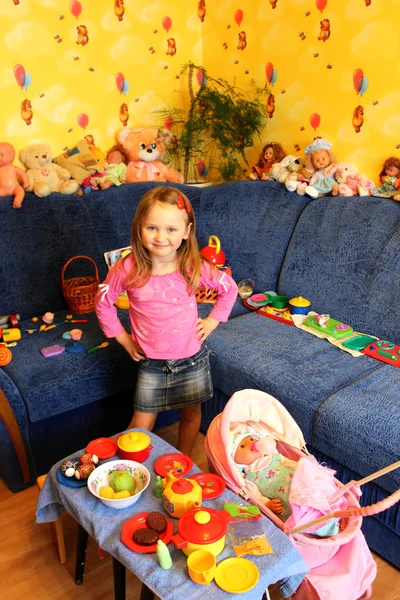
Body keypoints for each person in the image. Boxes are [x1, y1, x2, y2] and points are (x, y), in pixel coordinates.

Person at [95, 187, 238, 456]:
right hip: (151, 362)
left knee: (191, 415)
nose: (161, 237)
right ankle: (130, 467)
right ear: (139, 228)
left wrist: (211, 322)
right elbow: (102, 302)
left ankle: (182, 462)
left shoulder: (193, 265)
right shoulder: (127, 267)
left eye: (171, 229)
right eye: (152, 227)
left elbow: (228, 289)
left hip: (192, 358)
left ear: (186, 231)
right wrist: (124, 339)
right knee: (140, 425)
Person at [233, 428, 340, 536]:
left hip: (300, 485)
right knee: (301, 512)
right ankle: (321, 527)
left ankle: (331, 510)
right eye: (242, 446)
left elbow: (294, 465)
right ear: (235, 461)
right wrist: (268, 504)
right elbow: (257, 498)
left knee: (313, 489)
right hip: (288, 499)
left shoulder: (275, 457)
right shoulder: (248, 479)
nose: (251, 444)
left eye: (251, 439)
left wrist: (307, 469)